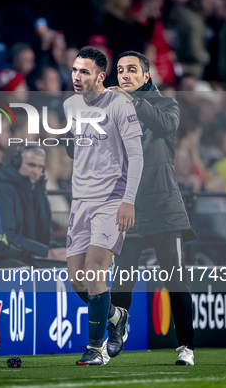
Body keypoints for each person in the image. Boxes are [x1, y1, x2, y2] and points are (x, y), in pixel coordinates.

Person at [107, 50, 196, 365]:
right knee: (122, 280)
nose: (124, 75)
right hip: (130, 210)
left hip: (164, 208)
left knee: (175, 277)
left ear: (147, 76)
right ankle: (117, 330)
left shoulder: (165, 105)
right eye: (120, 70)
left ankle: (185, 347)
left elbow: (162, 125)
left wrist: (131, 103)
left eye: (132, 70)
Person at [64, 47, 143, 366]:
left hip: (111, 199)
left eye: (84, 72)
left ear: (100, 76)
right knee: (76, 280)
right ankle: (116, 317)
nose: (76, 77)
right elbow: (77, 149)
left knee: (95, 272)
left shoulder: (120, 104)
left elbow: (136, 156)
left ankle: (95, 349)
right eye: (74, 70)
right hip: (79, 200)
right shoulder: (70, 104)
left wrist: (128, 201)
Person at [0, 146, 65, 260]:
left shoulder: (37, 188)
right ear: (16, 163)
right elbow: (9, 237)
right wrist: (46, 252)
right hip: (11, 259)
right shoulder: (4, 188)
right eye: (31, 165)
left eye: (40, 167)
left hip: (31, 256)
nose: (36, 171)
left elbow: (41, 238)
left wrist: (59, 249)